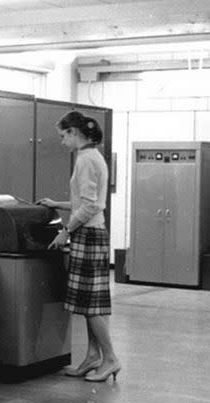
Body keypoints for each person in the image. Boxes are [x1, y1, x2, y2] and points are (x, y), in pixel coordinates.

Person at [37, 111, 121, 382]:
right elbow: (89, 201)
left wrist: (65, 231)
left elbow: (90, 205)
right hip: (95, 231)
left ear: (74, 132)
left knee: (91, 305)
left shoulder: (85, 160)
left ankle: (110, 358)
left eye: (63, 136)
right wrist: (57, 204)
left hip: (87, 233)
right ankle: (93, 357)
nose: (62, 142)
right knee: (89, 303)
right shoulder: (94, 156)